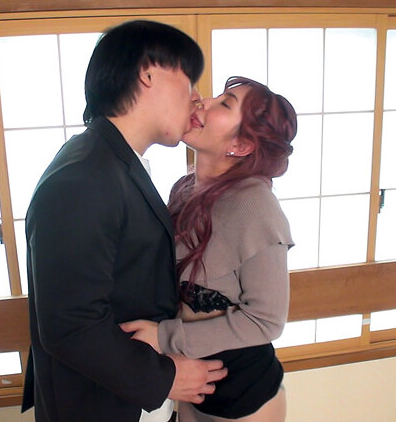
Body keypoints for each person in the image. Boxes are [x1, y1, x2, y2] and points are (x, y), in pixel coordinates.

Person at [21, 20, 228, 422]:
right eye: (189, 80)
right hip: (99, 406)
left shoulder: (111, 161)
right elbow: (70, 326)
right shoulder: (84, 176)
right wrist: (165, 378)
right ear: (148, 73)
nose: (196, 96)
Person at [121, 76, 298, 421]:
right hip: (188, 386)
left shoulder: (256, 206)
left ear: (241, 145)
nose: (204, 101)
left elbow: (267, 321)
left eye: (225, 103)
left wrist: (164, 337)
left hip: (247, 397)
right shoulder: (184, 189)